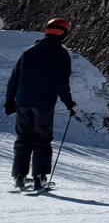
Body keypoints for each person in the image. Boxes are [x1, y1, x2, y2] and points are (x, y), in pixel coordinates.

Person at [5, 18, 77, 192]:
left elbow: (14, 78)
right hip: (43, 104)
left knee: (22, 138)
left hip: (23, 102)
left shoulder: (29, 51)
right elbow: (61, 83)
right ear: (64, 33)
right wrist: (69, 103)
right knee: (42, 139)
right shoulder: (60, 54)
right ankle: (39, 177)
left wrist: (10, 101)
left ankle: (20, 177)